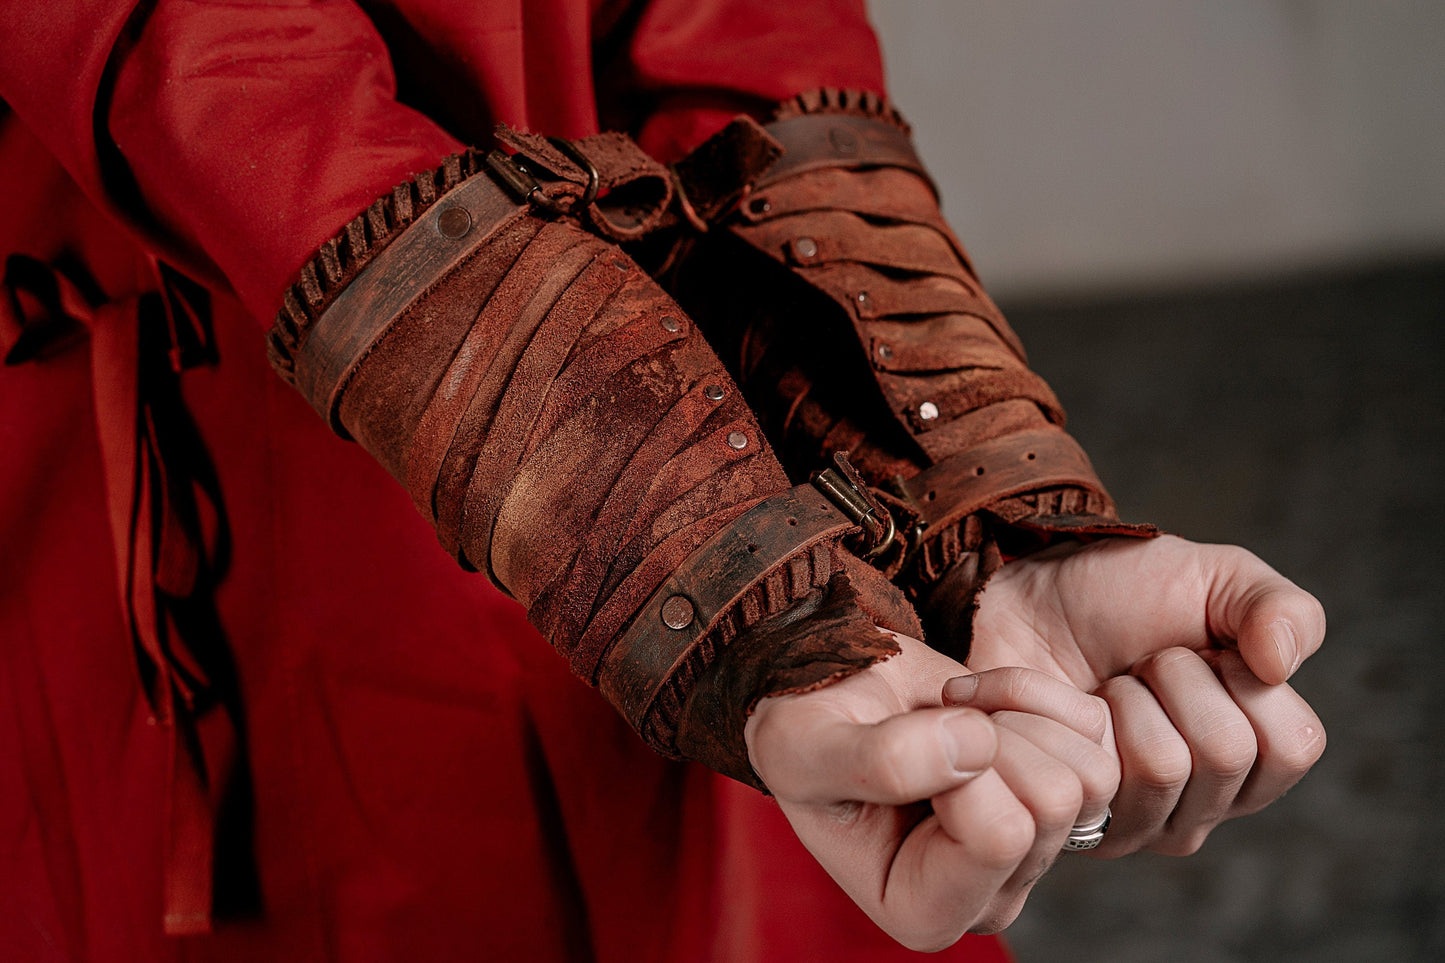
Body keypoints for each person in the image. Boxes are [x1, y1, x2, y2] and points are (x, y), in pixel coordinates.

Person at [0, 1, 1325, 959]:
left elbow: (744, 32)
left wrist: (960, 508)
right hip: (230, 529)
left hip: (686, 478)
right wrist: (693, 549)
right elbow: (212, 63)